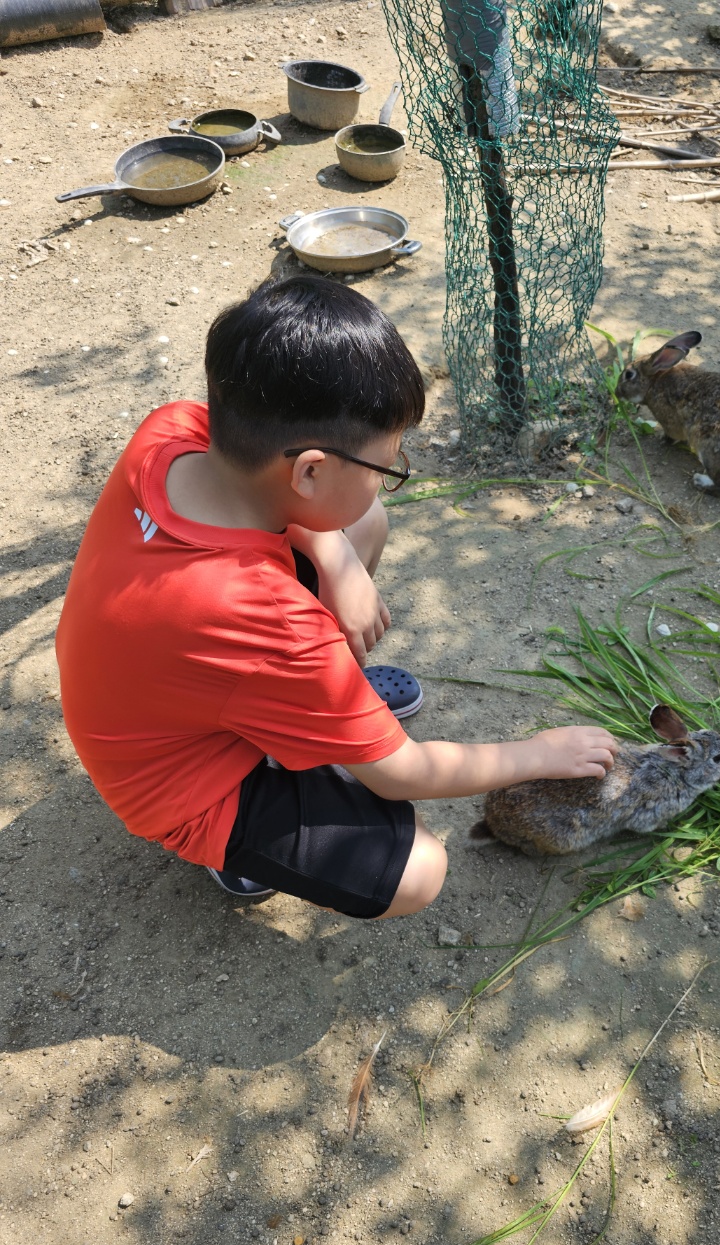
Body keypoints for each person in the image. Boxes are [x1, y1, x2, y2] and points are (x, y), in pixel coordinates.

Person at [55, 276, 617, 920]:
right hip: (180, 785)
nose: (397, 466)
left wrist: (339, 561)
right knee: (418, 871)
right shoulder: (271, 622)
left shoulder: (174, 430)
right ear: (311, 470)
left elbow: (286, 515)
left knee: (361, 527)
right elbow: (402, 774)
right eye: (389, 463)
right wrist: (542, 753)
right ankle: (232, 844)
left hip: (146, 693)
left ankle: (320, 711)